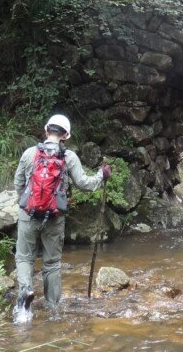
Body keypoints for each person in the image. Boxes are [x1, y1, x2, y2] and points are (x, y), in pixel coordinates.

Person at [13, 114, 111, 312]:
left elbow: (18, 183)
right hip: (54, 217)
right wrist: (101, 175)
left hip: (28, 215)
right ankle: (53, 308)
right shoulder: (68, 157)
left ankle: (26, 291)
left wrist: (27, 204)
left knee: (24, 258)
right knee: (51, 263)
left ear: (46, 130)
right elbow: (84, 184)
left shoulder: (29, 153)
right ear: (66, 135)